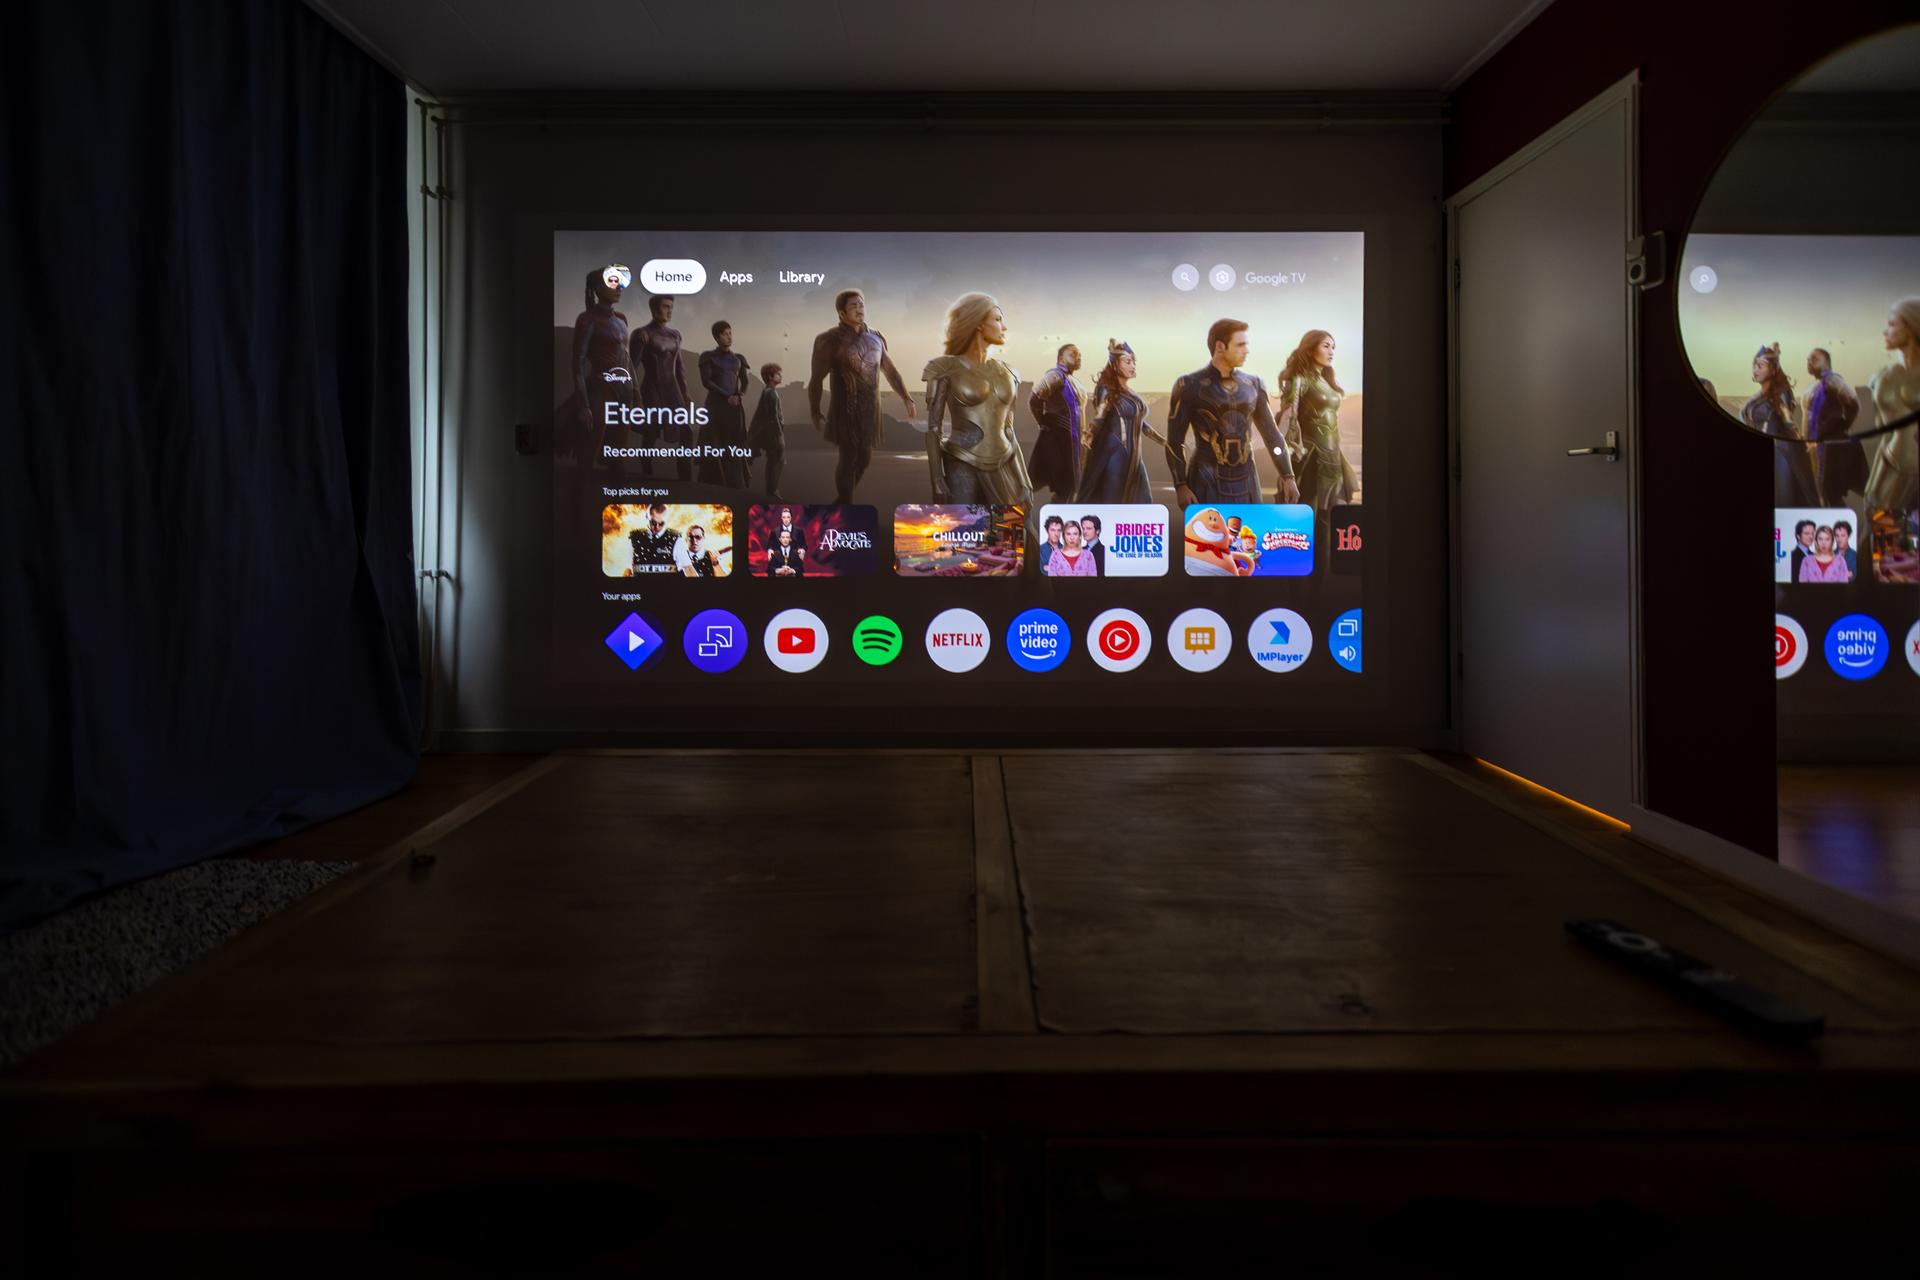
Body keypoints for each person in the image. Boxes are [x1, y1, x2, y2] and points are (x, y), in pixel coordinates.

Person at [924, 293, 1037, 523]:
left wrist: (1024, 480)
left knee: (1012, 533)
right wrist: (937, 479)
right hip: (961, 460)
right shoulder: (943, 368)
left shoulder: (1009, 372)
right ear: (978, 323)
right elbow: (934, 428)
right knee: (964, 531)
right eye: (997, 319)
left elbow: (1009, 430)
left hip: (1004, 463)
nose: (1004, 327)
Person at [1166, 319, 1299, 505]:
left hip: (1247, 478)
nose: (1247, 350)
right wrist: (1181, 485)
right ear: (1220, 346)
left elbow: (1272, 435)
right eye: (1240, 345)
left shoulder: (1254, 385)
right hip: (1205, 477)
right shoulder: (1188, 385)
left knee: (1251, 525)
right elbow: (1174, 441)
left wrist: (1288, 476)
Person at [810, 289, 916, 503]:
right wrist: (815, 410)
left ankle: (841, 502)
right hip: (845, 409)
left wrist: (906, 397)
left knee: (864, 458)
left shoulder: (875, 337)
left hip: (870, 409)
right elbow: (816, 379)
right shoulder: (829, 340)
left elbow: (890, 370)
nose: (859, 310)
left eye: (861, 305)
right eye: (853, 306)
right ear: (842, 313)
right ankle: (846, 504)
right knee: (849, 457)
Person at [1277, 329, 1355, 513]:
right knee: (1308, 512)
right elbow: (1287, 418)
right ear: (1310, 349)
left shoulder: (1328, 382)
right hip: (1310, 457)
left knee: (1333, 514)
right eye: (1326, 346)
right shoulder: (1299, 380)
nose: (1331, 352)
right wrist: (1284, 466)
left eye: (1333, 347)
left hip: (1334, 457)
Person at [570, 264, 638, 469]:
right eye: (611, 283)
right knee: (590, 448)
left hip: (625, 392)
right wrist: (584, 405)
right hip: (601, 390)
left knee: (619, 452)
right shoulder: (587, 319)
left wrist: (636, 392)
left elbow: (627, 357)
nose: (618, 288)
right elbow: (578, 362)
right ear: (598, 289)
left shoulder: (622, 319)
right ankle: (580, 488)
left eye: (619, 283)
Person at [1077, 339, 1160, 504]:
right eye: (1127, 362)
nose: (1133, 366)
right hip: (1116, 453)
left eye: (1133, 362)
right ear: (1115, 365)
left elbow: (1139, 422)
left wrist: (1162, 440)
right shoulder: (1107, 389)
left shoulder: (1131, 393)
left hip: (1135, 457)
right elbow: (1100, 416)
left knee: (1144, 503)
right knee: (1112, 501)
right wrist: (1090, 434)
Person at [1743, 342, 1816, 507]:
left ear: (1773, 370)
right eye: (1754, 365)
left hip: (1779, 453)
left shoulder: (1781, 394)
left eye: (1760, 366)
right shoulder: (1755, 398)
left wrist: (1802, 446)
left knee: (1782, 499)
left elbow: (1789, 424)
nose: (1755, 370)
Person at [1866, 298, 1920, 516]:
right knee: (1882, 527)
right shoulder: (1885, 376)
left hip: (1902, 463)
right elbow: (1886, 435)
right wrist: (1875, 483)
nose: (1885, 332)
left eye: (1892, 324)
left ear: (1911, 327)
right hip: (1894, 464)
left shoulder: (1889, 377)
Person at [630, 295, 692, 480]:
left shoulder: (675, 335)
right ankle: (647, 474)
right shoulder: (642, 334)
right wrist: (636, 397)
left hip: (673, 390)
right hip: (652, 389)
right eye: (666, 306)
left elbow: (679, 366)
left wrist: (685, 391)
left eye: (671, 307)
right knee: (651, 431)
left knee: (686, 432)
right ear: (654, 309)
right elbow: (631, 367)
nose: (670, 310)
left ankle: (685, 477)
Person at [1806, 347, 1864, 507]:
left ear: (1826, 363)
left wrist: (1844, 424)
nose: (1809, 362)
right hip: (1824, 446)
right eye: (1808, 360)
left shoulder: (1832, 380)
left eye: (1814, 359)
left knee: (1831, 492)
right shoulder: (1820, 385)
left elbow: (1853, 402)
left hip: (1833, 446)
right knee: (1827, 493)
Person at [697, 321, 752, 487]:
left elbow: (745, 381)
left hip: (734, 407)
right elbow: (706, 381)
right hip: (715, 406)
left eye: (730, 333)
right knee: (713, 440)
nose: (729, 337)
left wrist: (739, 395)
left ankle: (736, 481)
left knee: (734, 441)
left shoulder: (738, 359)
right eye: (725, 334)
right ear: (717, 336)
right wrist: (727, 396)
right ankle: (712, 481)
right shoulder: (708, 357)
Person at [1027, 343, 1084, 498]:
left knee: (1068, 488)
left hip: (1071, 441)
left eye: (1079, 355)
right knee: (1063, 487)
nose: (1078, 357)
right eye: (1073, 354)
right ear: (1061, 359)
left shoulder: (1072, 380)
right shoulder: (1055, 376)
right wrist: (1043, 421)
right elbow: (1034, 400)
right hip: (1057, 440)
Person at [747, 362, 787, 500]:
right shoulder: (771, 393)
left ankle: (772, 490)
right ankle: (772, 491)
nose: (781, 376)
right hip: (772, 433)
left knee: (776, 460)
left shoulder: (769, 391)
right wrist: (779, 435)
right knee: (776, 460)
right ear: (770, 376)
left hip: (770, 432)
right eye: (778, 374)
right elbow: (773, 417)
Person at [629, 504, 679, 573]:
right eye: (653, 522)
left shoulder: (676, 539)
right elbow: (626, 568)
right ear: (646, 517)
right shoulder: (633, 538)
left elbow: (688, 568)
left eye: (661, 523)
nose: (657, 527)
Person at [1788, 518, 1815, 583]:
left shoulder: (1814, 555)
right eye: (1807, 533)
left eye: (1812, 533)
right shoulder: (1792, 556)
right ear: (1798, 536)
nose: (1811, 537)